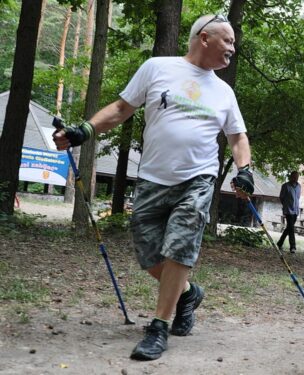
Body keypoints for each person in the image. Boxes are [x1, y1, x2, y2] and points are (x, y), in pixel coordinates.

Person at [53, 14, 254, 361]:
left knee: (179, 247)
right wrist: (84, 131)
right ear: (204, 38)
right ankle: (188, 293)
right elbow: (120, 109)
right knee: (149, 254)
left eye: (233, 43)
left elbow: (237, 136)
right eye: (228, 41)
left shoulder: (224, 91)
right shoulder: (157, 68)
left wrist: (245, 170)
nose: (232, 49)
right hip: (153, 178)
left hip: (198, 178)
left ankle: (159, 326)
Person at [277, 171, 301, 253]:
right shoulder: (285, 186)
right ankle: (293, 247)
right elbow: (281, 197)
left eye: (297, 177)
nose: (296, 178)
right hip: (288, 210)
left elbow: (298, 197)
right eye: (294, 177)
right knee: (291, 228)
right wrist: (286, 205)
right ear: (291, 177)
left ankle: (279, 243)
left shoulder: (299, 186)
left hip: (296, 210)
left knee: (289, 228)